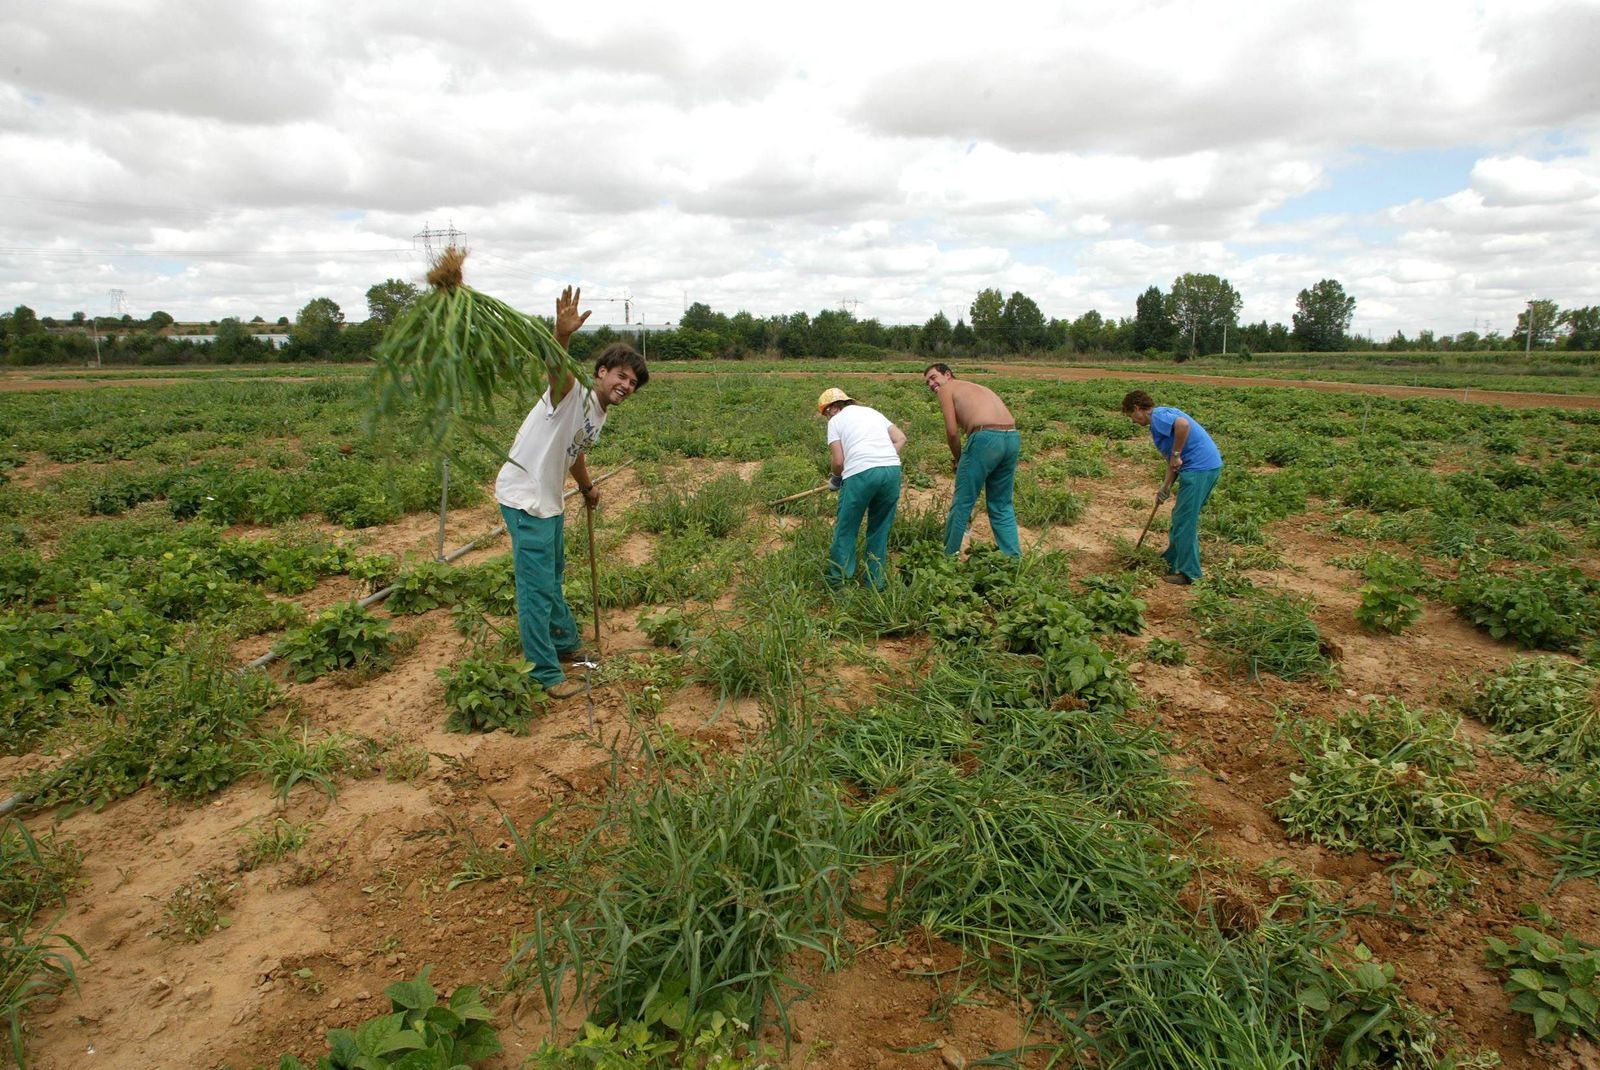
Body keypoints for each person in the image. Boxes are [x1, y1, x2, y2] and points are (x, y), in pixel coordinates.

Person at [495, 287, 649, 698]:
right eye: (621, 375)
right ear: (601, 372)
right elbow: (555, 367)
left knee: (555, 576)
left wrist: (586, 485)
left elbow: (574, 451)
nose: (626, 385)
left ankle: (564, 645)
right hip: (525, 498)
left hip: (550, 499)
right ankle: (544, 673)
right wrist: (561, 335)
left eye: (632, 383)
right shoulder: (572, 394)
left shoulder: (598, 414)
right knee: (537, 588)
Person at [1120, 389, 1223, 586]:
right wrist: (1165, 487)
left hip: (1200, 469)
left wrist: (1176, 453)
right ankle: (1170, 559)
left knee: (1185, 520)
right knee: (1180, 516)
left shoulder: (1157, 417)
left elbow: (1182, 426)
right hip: (1202, 467)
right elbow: (1172, 461)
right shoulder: (1160, 418)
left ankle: (1190, 573)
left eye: (1131, 415)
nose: (1133, 420)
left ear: (1136, 408)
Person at [922, 363, 1021, 557]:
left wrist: (959, 460)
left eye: (933, 377)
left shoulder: (947, 389)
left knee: (962, 503)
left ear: (947, 375)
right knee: (1001, 504)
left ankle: (947, 558)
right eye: (927, 382)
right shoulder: (975, 387)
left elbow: (952, 432)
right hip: (1012, 437)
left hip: (986, 437)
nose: (931, 384)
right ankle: (1013, 561)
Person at [817, 387, 906, 588]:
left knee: (846, 528)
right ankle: (875, 582)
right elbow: (901, 438)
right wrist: (882, 456)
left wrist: (835, 479)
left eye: (826, 413)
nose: (827, 417)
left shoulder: (835, 421)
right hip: (892, 471)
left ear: (831, 409)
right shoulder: (873, 412)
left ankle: (838, 582)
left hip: (861, 474)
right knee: (880, 528)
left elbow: (839, 461)